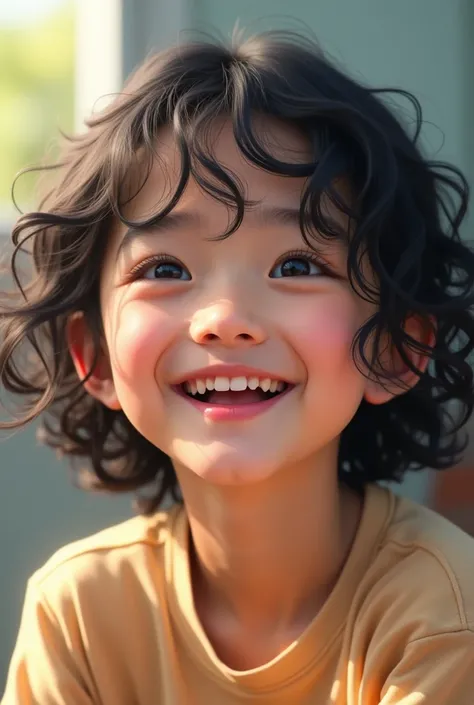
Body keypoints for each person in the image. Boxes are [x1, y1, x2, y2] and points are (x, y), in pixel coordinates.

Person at [2, 30, 474, 705]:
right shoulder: (76, 615)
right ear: (96, 355)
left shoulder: (443, 613)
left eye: (297, 265)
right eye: (165, 268)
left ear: (396, 346)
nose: (224, 317)